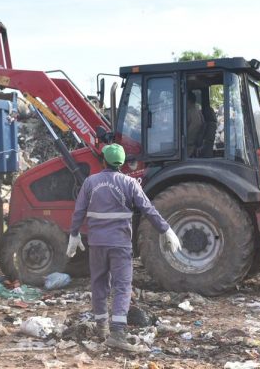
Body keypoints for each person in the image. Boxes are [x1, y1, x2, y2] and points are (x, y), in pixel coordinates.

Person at [67, 143, 181, 352]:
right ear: (122, 164)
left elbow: (79, 211)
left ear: (103, 161)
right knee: (122, 286)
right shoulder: (129, 183)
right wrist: (166, 230)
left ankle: (101, 328)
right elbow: (148, 209)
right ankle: (117, 332)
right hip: (119, 244)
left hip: (97, 244)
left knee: (99, 283)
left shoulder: (90, 182)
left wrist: (74, 234)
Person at [186, 90, 205, 156]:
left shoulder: (192, 112)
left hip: (189, 150)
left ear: (188, 101)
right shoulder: (197, 111)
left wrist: (186, 142)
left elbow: (196, 126)